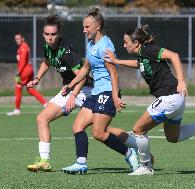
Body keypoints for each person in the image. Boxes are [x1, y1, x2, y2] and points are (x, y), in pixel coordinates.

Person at [104, 25, 195, 175]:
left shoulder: (148, 50)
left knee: (138, 130)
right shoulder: (143, 55)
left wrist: (182, 81)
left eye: (126, 42)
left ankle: (145, 166)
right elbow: (138, 64)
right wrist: (117, 61)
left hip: (169, 97)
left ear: (136, 43)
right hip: (175, 99)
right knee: (173, 137)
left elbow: (174, 56)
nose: (124, 45)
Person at [61, 7, 138, 174]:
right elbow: (85, 69)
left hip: (107, 92)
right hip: (96, 92)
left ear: (98, 26)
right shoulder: (91, 44)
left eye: (87, 27)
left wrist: (116, 96)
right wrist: (71, 85)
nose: (84, 30)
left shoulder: (105, 45)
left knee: (98, 133)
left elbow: (113, 73)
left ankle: (129, 153)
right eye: (83, 27)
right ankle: (81, 163)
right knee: (78, 125)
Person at [26, 15, 93, 172]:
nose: (50, 38)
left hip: (85, 90)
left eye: (53, 34)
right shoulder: (47, 47)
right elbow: (46, 62)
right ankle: (44, 161)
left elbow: (81, 77)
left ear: (59, 34)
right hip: (69, 89)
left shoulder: (67, 51)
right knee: (42, 118)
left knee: (100, 132)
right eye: (47, 34)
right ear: (43, 34)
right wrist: (37, 78)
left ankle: (132, 148)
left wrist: (73, 97)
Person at [7, 33, 47, 116]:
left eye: (18, 38)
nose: (17, 40)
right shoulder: (23, 47)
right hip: (29, 70)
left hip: (25, 71)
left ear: (23, 38)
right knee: (30, 89)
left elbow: (23, 61)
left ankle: (17, 109)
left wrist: (19, 72)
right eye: (16, 39)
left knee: (18, 88)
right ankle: (45, 103)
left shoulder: (23, 48)